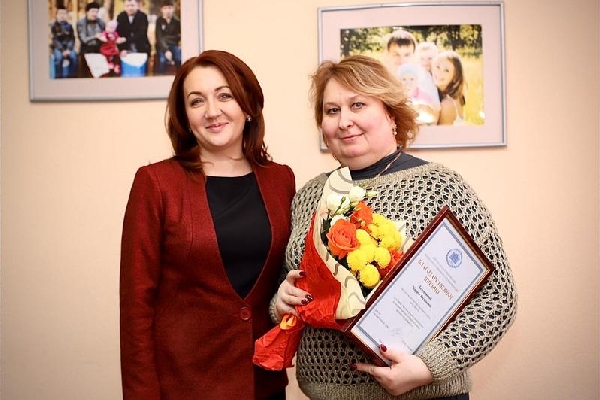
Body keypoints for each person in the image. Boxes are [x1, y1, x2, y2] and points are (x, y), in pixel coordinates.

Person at [272, 55, 517, 399]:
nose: (344, 121)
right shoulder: (310, 195)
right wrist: (280, 301)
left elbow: (498, 296)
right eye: (332, 110)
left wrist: (428, 367)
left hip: (427, 395)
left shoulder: (441, 187)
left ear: (390, 113)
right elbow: (287, 280)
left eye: (358, 105)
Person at [120, 50, 295, 400]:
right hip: (184, 386)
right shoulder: (156, 183)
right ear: (185, 117)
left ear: (248, 106)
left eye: (224, 96)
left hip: (263, 384)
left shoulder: (281, 180)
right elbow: (136, 305)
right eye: (196, 101)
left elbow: (284, 276)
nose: (212, 111)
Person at [432, 50, 466, 125]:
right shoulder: (453, 95)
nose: (439, 72)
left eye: (446, 70)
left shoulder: (447, 105)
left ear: (455, 77)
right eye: (438, 67)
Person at [50, 5, 78, 78]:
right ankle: (58, 78)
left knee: (74, 57)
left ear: (66, 15)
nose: (62, 15)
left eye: (64, 13)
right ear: (56, 15)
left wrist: (68, 49)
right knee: (58, 59)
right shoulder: (53, 26)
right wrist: (62, 50)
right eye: (60, 13)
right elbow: (55, 40)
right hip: (58, 48)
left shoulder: (69, 26)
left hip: (69, 48)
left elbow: (72, 39)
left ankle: (72, 77)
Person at [154, 0, 181, 74]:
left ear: (173, 9)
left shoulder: (177, 22)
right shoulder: (159, 21)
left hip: (174, 45)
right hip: (162, 46)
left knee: (179, 59)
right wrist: (166, 50)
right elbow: (159, 37)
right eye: (165, 8)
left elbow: (177, 37)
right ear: (161, 9)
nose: (167, 10)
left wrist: (165, 38)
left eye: (169, 8)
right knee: (162, 61)